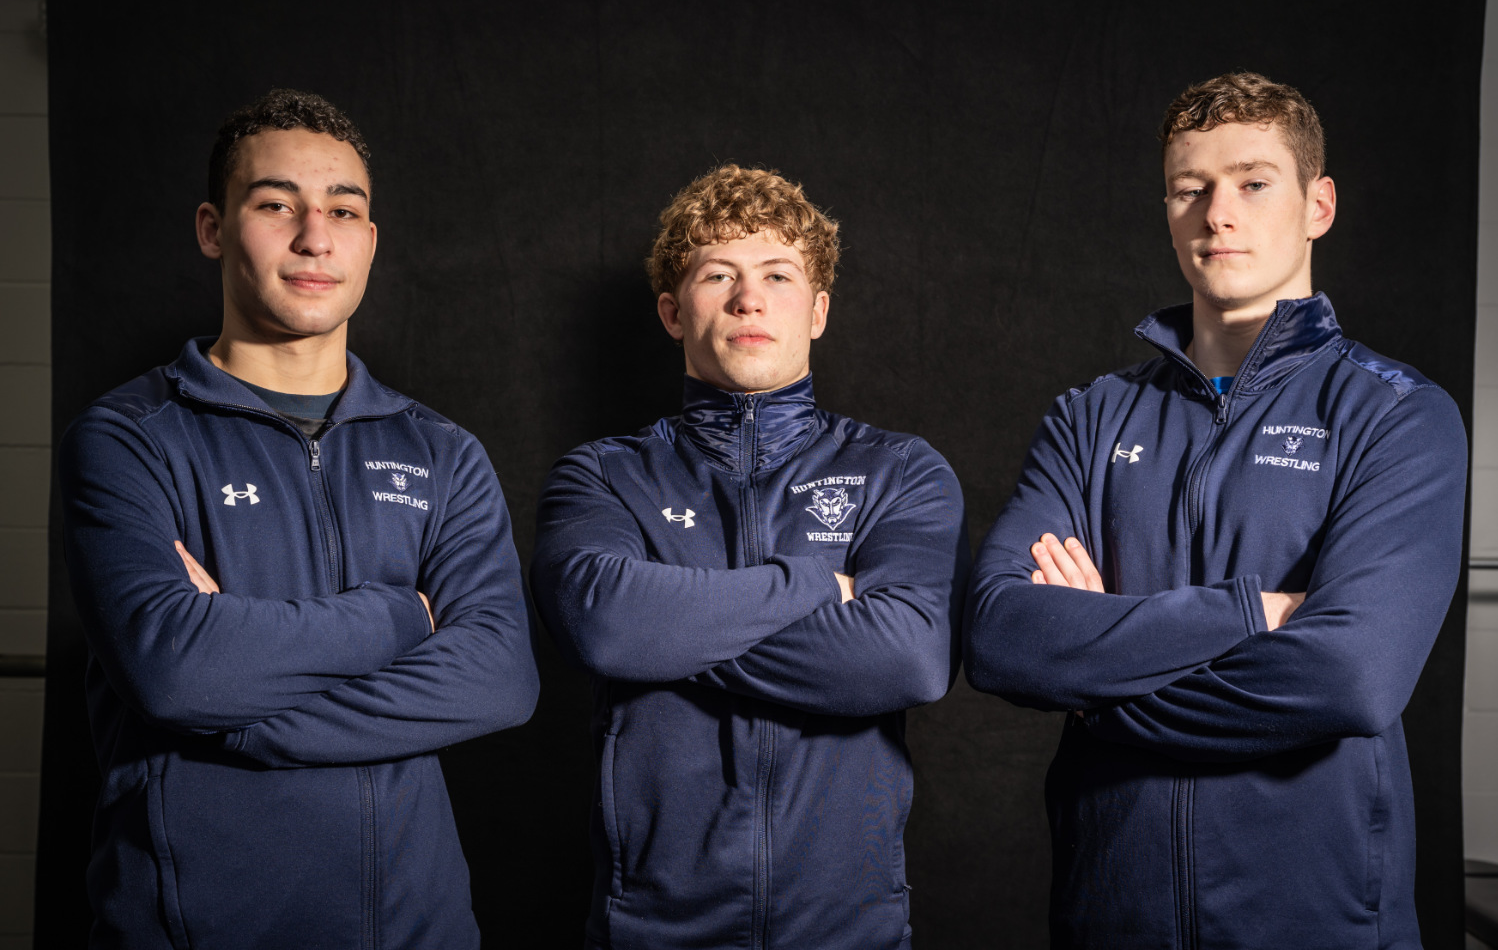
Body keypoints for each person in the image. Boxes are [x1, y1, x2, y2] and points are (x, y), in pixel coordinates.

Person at [964, 72, 1467, 949]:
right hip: (1110, 916)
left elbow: (1350, 677)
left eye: (1253, 183)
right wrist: (1249, 612)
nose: (1217, 214)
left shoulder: (1396, 413)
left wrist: (1098, 691)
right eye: (1190, 189)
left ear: (1319, 205)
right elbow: (1002, 635)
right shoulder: (1092, 417)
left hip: (1318, 922)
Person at [60, 88, 539, 949]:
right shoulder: (129, 438)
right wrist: (405, 615)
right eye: (277, 204)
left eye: (343, 210)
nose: (315, 235)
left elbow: (501, 677)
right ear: (213, 228)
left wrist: (229, 706)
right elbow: (175, 674)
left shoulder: (441, 452)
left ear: (369, 242)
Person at [530, 164, 968, 950]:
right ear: (672, 311)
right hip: (652, 931)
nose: (749, 298)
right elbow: (605, 627)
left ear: (819, 310)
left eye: (777, 274)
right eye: (717, 275)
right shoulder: (602, 474)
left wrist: (671, 630)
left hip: (849, 931)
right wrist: (813, 586)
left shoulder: (899, 471)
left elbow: (908, 658)